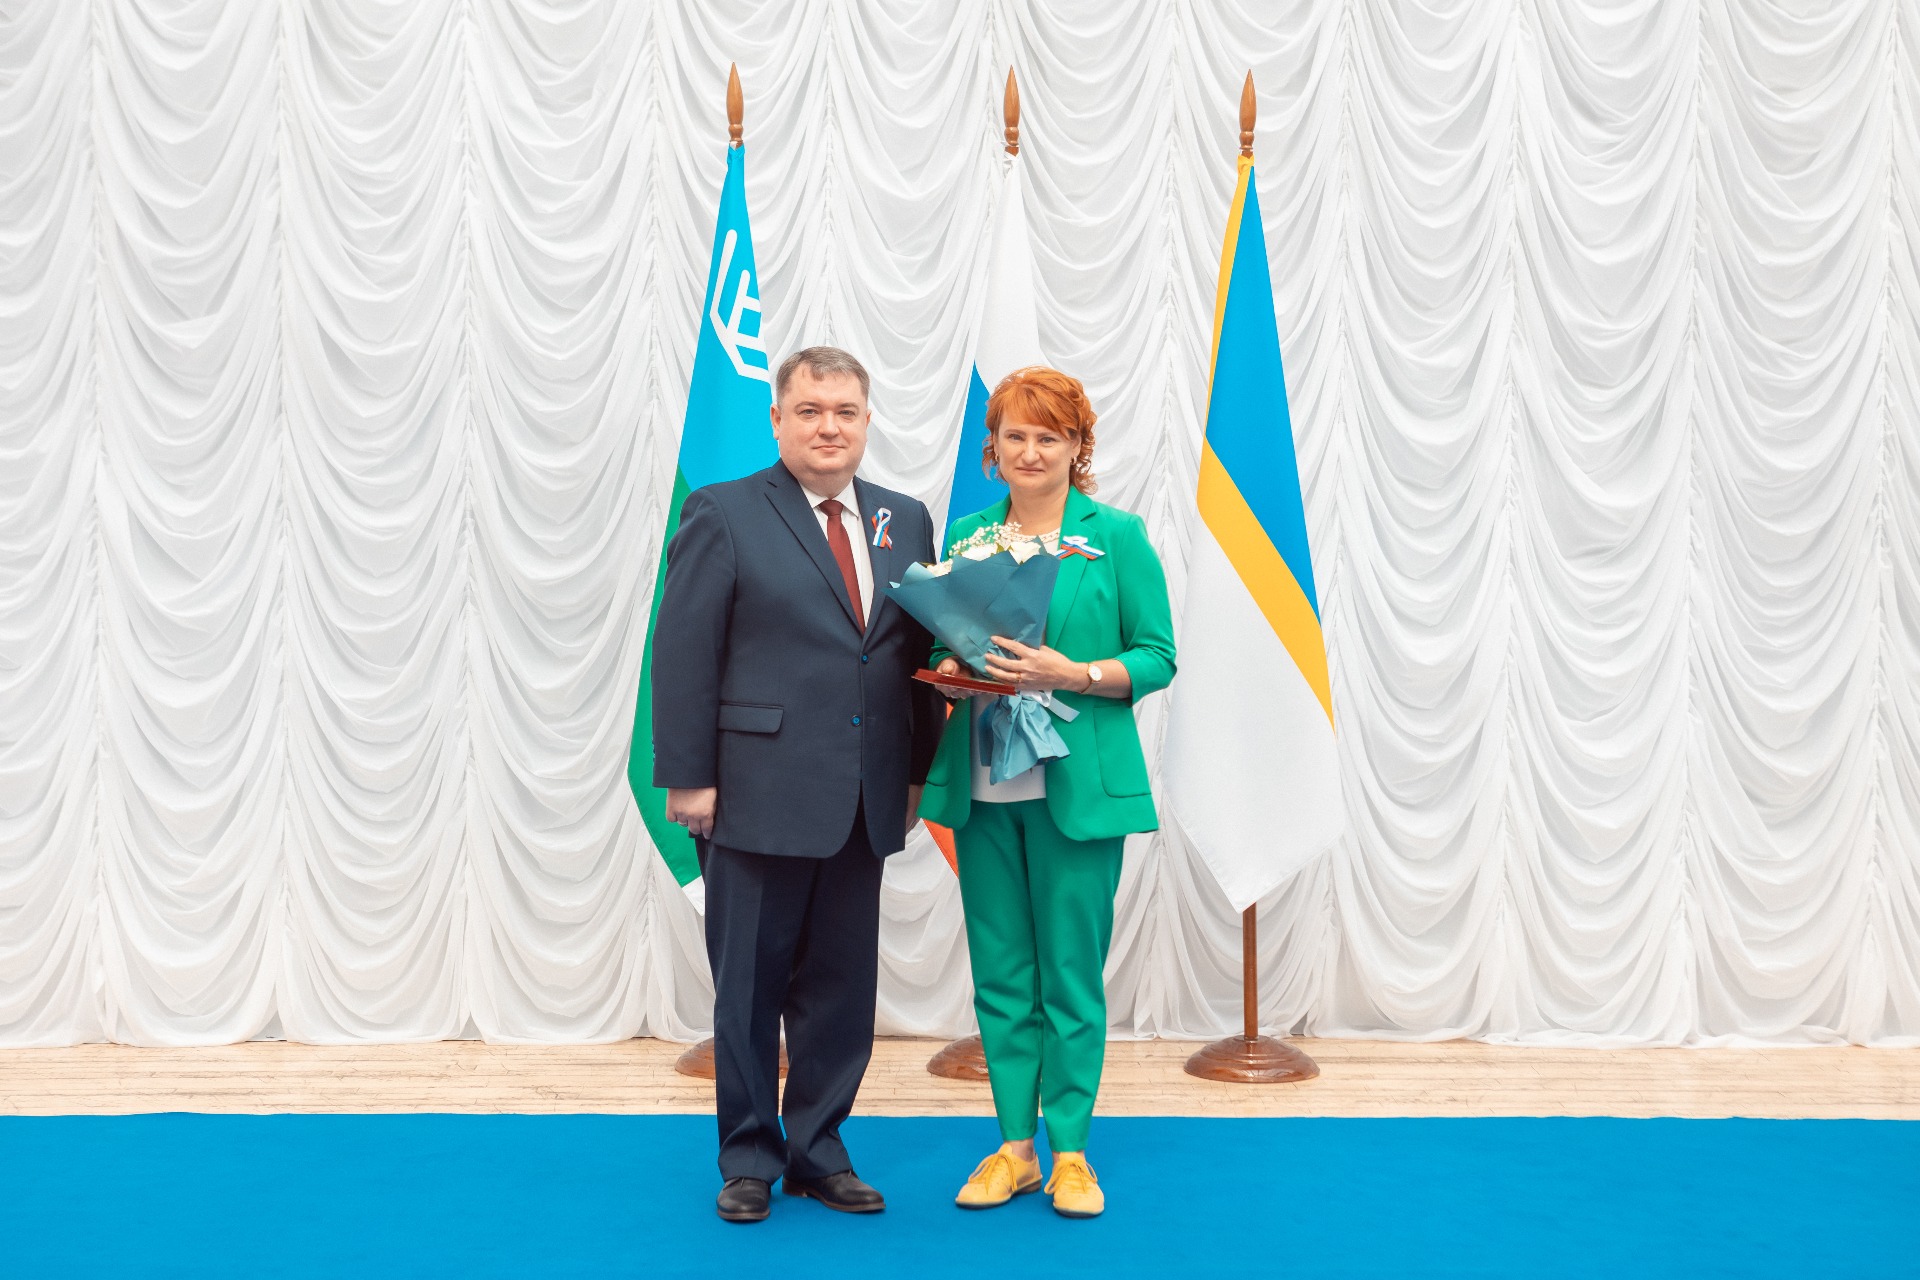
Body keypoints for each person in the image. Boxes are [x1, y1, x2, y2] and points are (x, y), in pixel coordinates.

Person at [651, 345, 944, 1223]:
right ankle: (748, 1158)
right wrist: (689, 776)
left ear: (867, 422)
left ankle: (820, 1151)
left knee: (842, 992)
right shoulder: (724, 511)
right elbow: (684, 649)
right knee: (749, 987)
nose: (828, 427)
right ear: (777, 420)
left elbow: (913, 656)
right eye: (810, 411)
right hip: (754, 794)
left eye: (845, 412)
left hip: (865, 797)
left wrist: (916, 773)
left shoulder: (904, 519)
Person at [919, 366, 1176, 1219]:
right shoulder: (967, 535)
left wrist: (1078, 673)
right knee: (1000, 973)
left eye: (1049, 437)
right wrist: (951, 672)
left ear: (1077, 447)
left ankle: (1072, 1152)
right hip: (984, 781)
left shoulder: (1118, 536)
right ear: (992, 448)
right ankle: (1014, 1149)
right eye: (1014, 436)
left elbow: (1157, 656)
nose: (1030, 451)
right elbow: (949, 641)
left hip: (1077, 787)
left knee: (1070, 975)